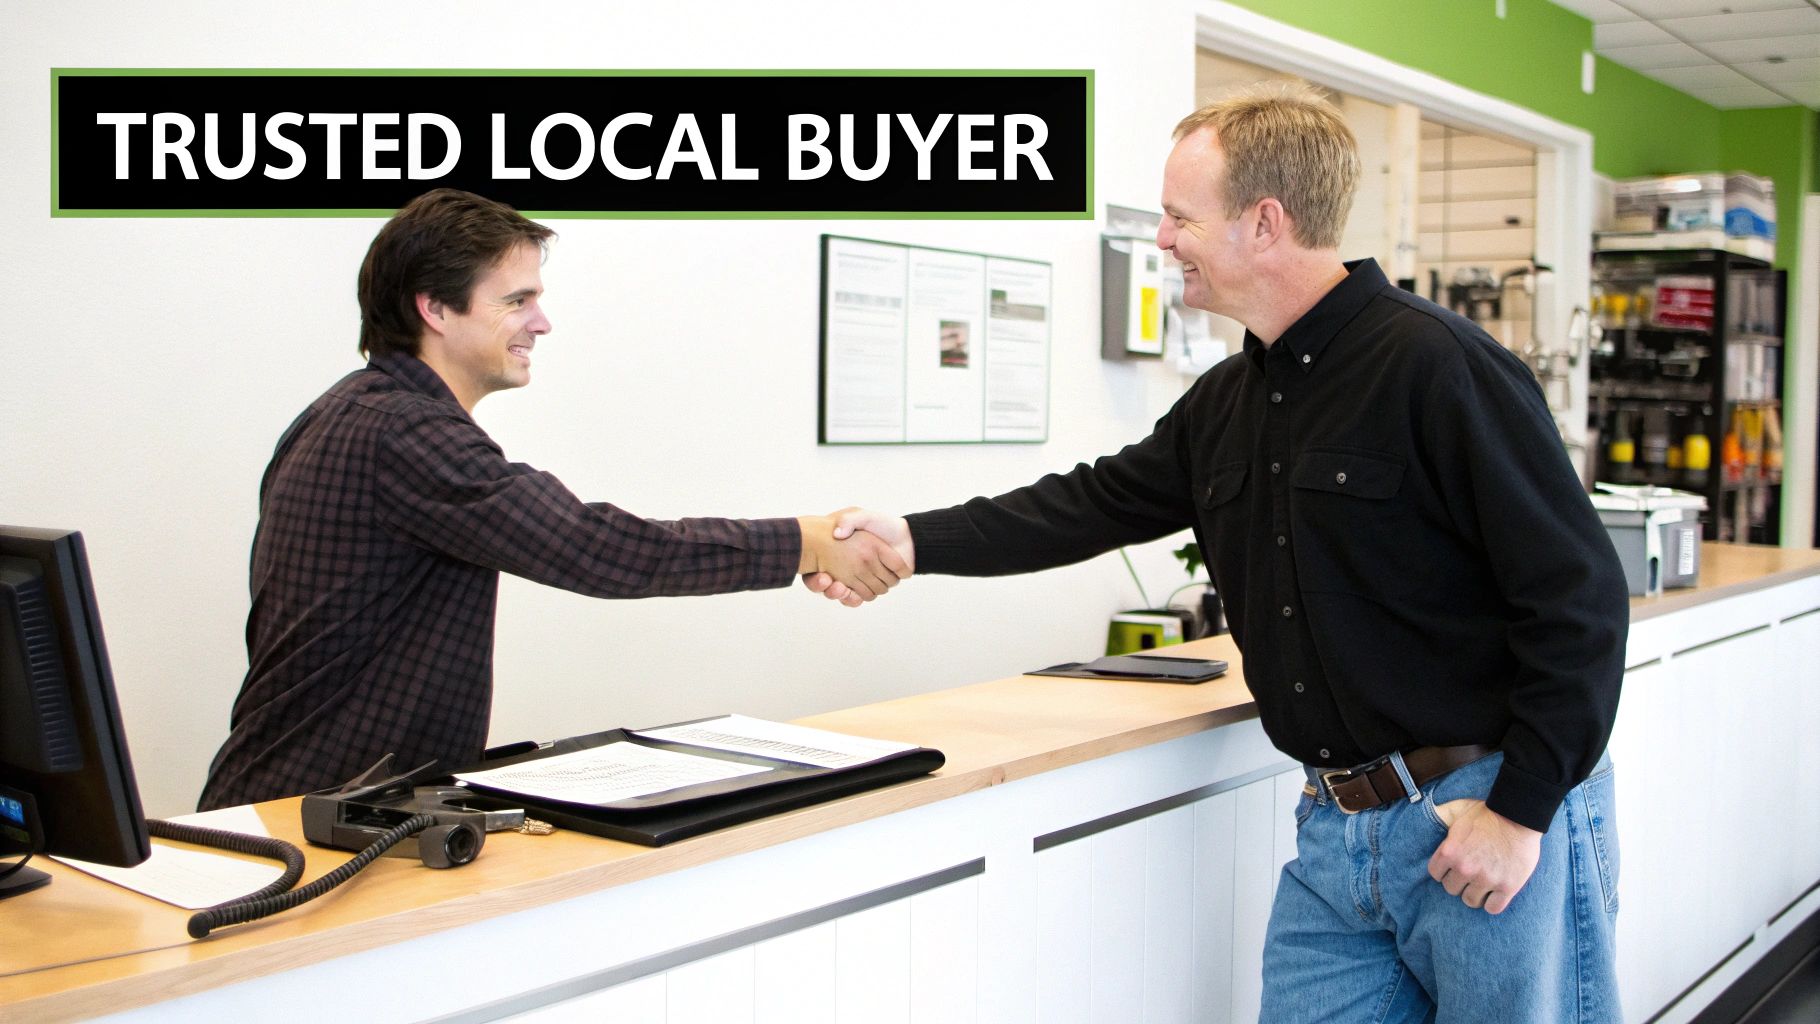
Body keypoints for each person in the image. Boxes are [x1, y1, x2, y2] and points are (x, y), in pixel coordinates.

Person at [811, 83, 1629, 1022]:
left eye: (1179, 216)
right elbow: (1092, 503)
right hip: (1337, 835)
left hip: (1478, 814)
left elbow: (1580, 600)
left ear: (1265, 222)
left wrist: (1521, 812)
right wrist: (914, 540)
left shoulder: (1441, 366)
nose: (1163, 240)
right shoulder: (1230, 399)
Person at [199, 189, 906, 810]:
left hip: (322, 804)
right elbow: (598, 550)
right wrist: (808, 541)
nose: (541, 323)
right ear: (435, 308)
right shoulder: (403, 431)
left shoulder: (355, 411)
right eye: (516, 301)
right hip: (306, 813)